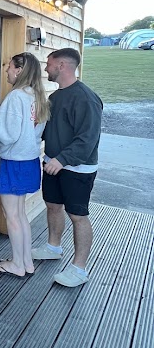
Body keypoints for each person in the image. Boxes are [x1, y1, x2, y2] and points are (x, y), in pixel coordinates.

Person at [33, 47, 103, 287]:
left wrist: (61, 160)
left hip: (77, 169)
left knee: (78, 215)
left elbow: (88, 139)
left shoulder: (86, 97)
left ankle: (79, 269)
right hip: (53, 164)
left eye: (49, 64)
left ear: (62, 66)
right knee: (53, 206)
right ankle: (53, 247)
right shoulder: (55, 97)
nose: (46, 68)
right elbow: (49, 131)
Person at [0, 52, 49, 277]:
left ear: (19, 70)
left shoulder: (16, 97)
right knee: (20, 214)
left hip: (13, 161)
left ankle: (17, 264)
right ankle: (26, 262)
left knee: (12, 216)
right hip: (30, 160)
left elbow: (7, 135)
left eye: (9, 66)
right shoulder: (37, 95)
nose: (6, 70)